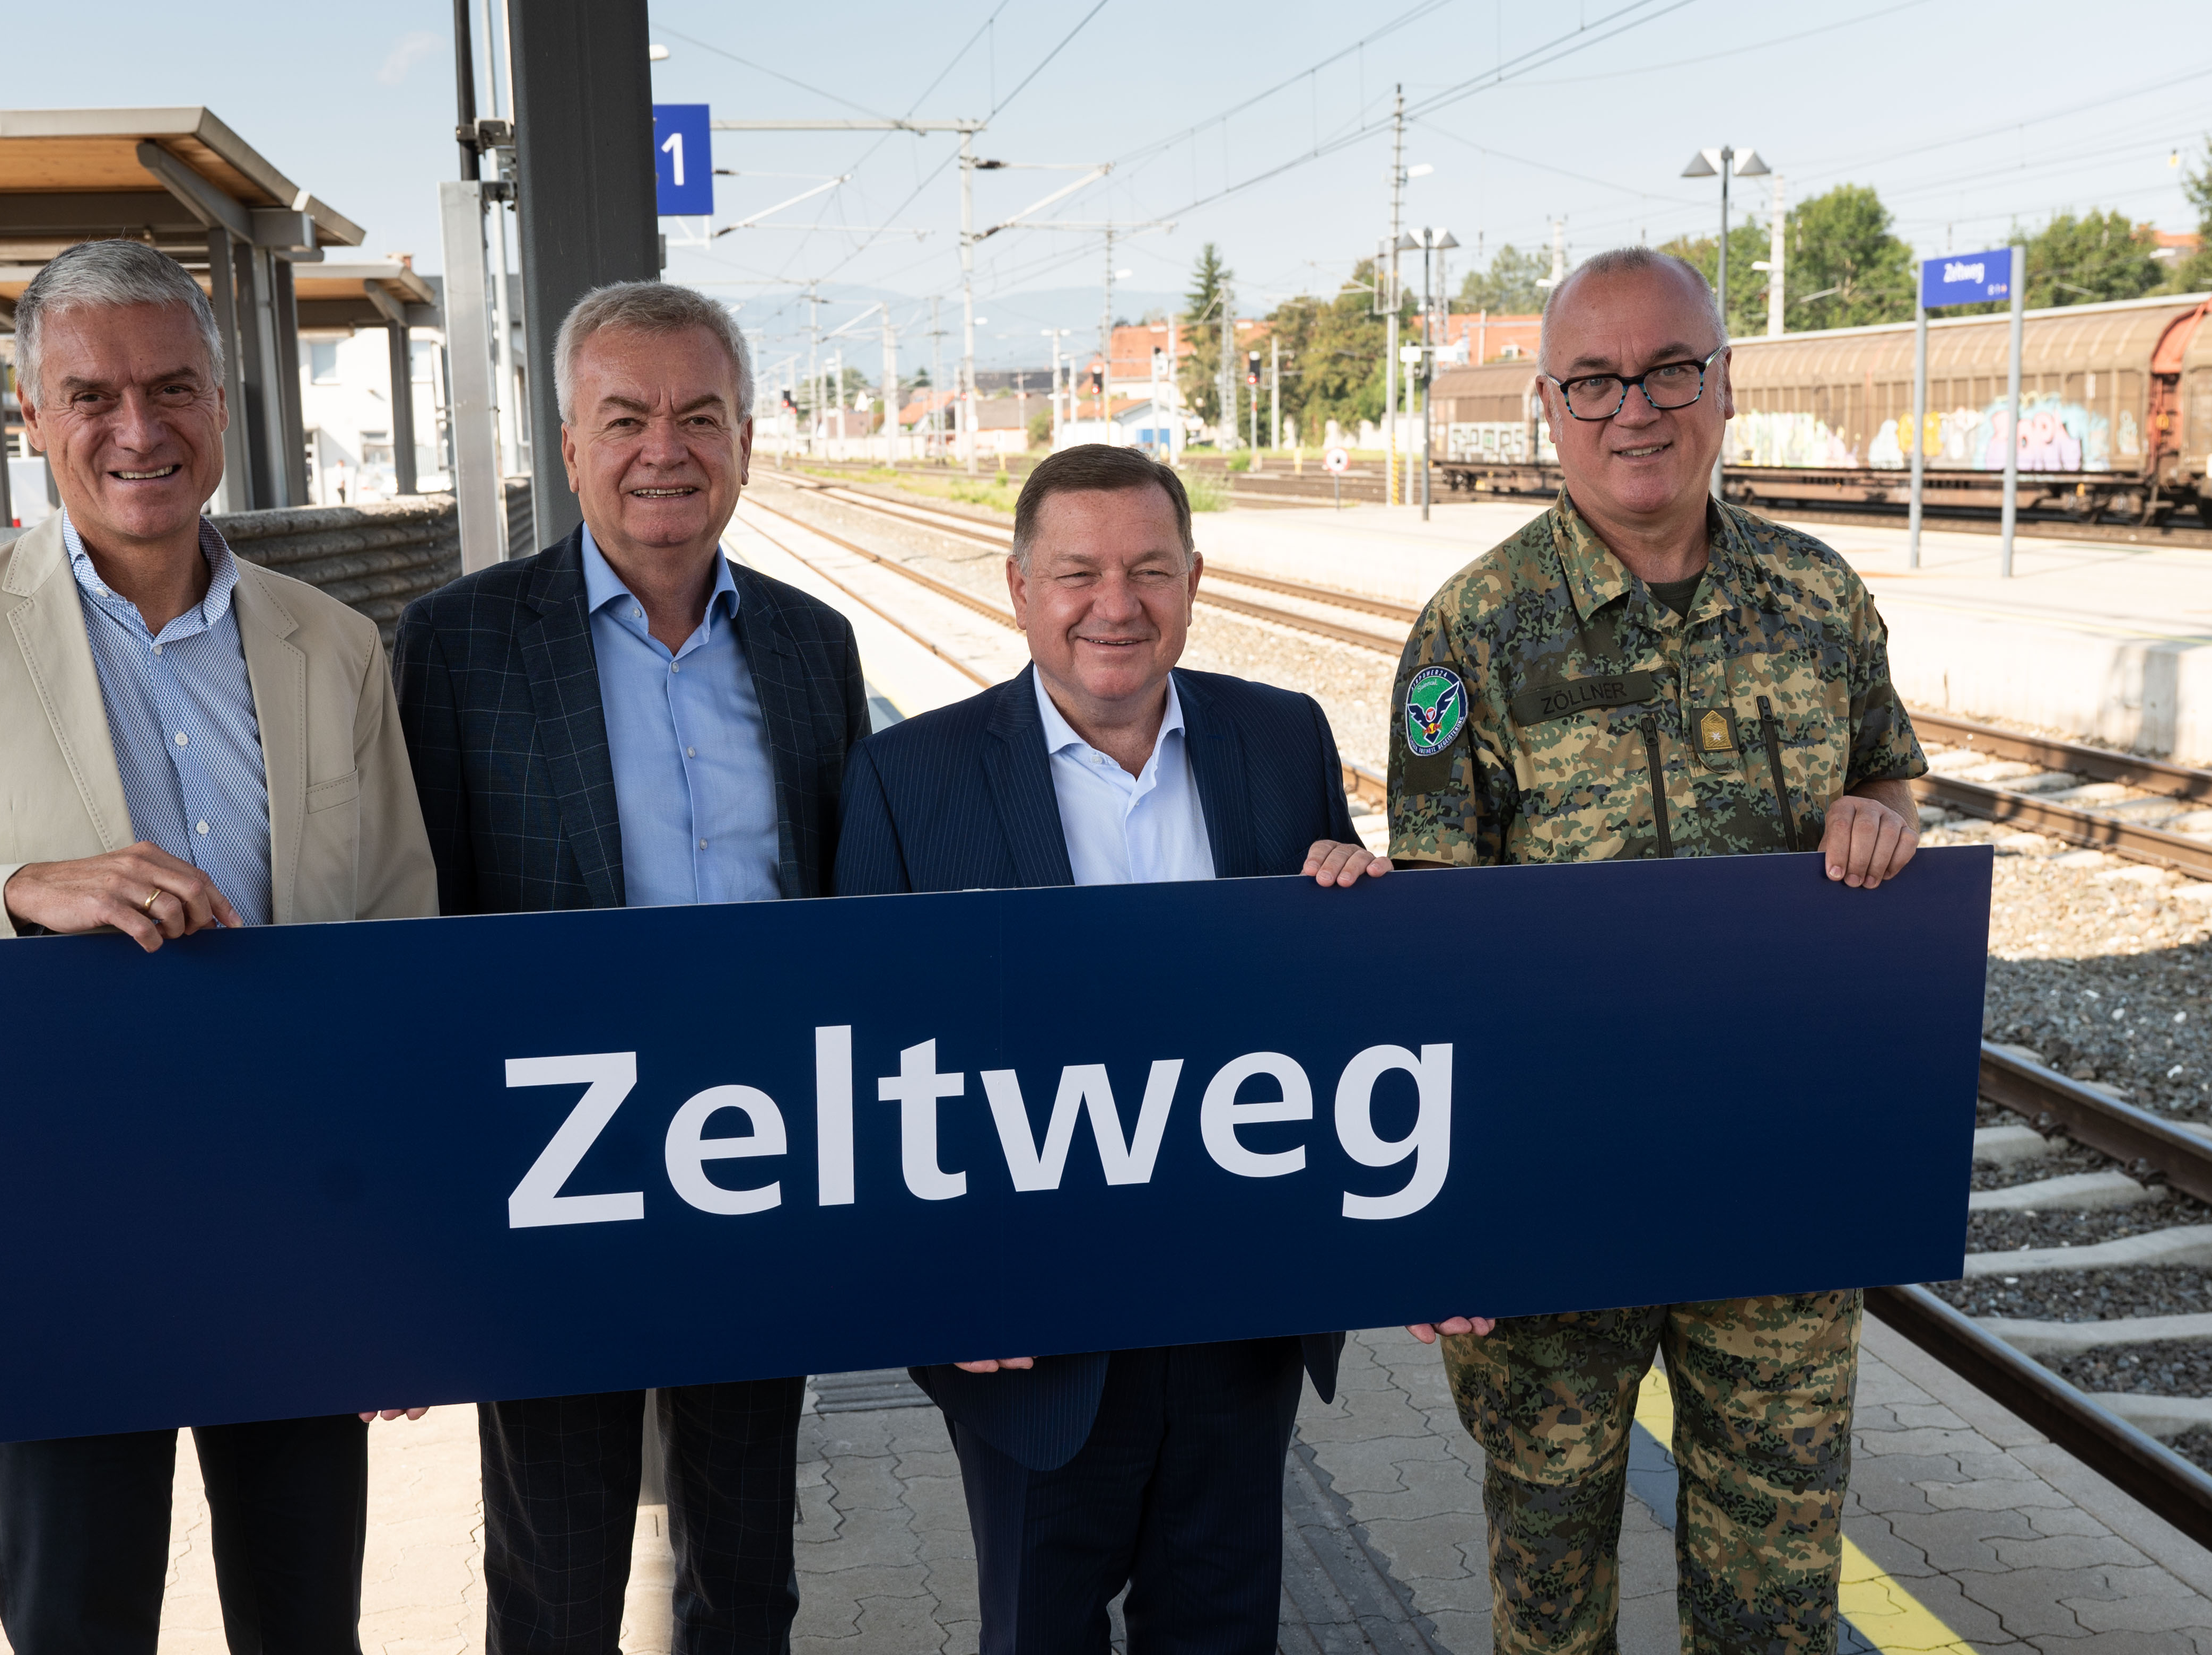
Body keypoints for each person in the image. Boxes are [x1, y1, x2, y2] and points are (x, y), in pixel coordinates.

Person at [0, 239, 437, 1652]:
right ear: (31, 420)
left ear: (222, 406)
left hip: (290, 1224)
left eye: (171, 387)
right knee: (78, 1619)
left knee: (308, 1623)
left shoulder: (334, 646)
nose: (138, 427)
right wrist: (11, 894)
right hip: (56, 1229)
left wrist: (398, 1265)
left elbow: (395, 954)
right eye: (92, 395)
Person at [1386, 246, 1927, 1655]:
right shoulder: (1471, 634)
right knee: (1552, 1586)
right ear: (1549, 408)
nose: (1636, 409)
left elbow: (1891, 778)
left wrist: (1882, 815)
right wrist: (1448, 1223)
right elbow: (1433, 943)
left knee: (1776, 1594)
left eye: (1670, 369)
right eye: (1595, 381)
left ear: (1725, 386)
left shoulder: (1818, 601)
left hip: (1779, 1188)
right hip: (1551, 1201)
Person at [833, 442, 1386, 1654]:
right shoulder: (906, 777)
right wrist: (937, 1293)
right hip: (1030, 1332)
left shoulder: (1281, 740)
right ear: (1020, 586)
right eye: (1077, 572)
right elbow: (869, 1065)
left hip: (1237, 1311)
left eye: (1148, 569)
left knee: (1224, 1631)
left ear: (1194, 578)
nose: (1114, 605)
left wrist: (1357, 896)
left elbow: (1341, 1009)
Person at [392, 280, 868, 1654]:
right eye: (627, 417)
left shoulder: (808, 644)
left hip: (759, 1166)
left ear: (745, 437)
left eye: (699, 415)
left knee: (746, 1572)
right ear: (566, 437)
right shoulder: (459, 645)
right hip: (559, 1179)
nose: (666, 447)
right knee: (553, 1584)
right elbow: (427, 933)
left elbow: (844, 911)